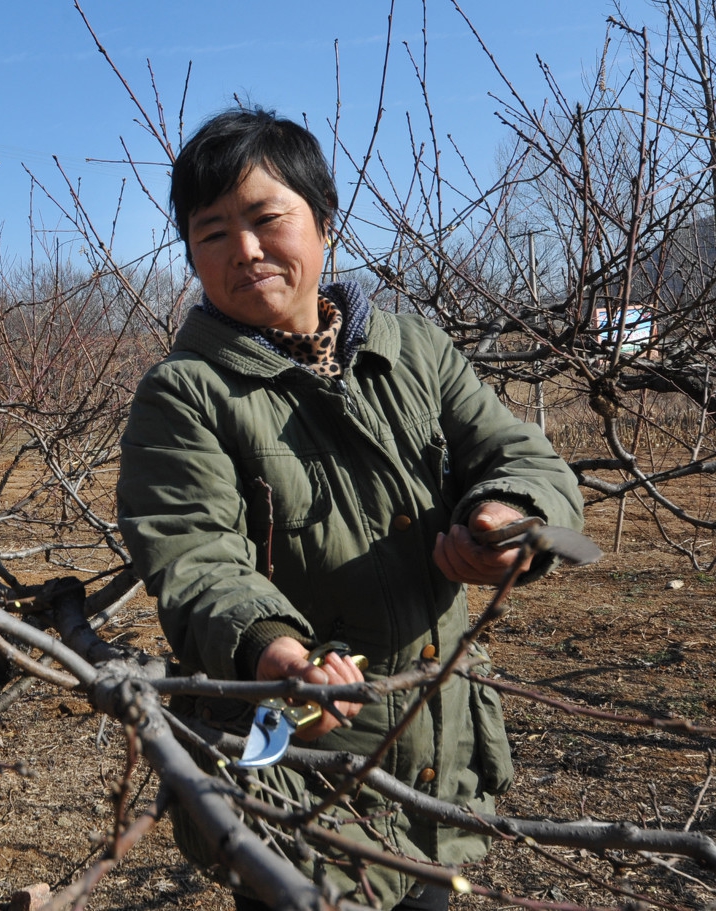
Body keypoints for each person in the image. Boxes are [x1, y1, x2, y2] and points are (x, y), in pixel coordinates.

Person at [116, 108, 584, 910]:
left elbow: (519, 454)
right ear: (191, 253)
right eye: (213, 233)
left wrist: (507, 517)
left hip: (439, 754)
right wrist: (276, 654)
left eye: (267, 218)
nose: (245, 250)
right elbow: (194, 555)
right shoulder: (185, 394)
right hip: (306, 777)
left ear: (325, 223)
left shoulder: (413, 350)